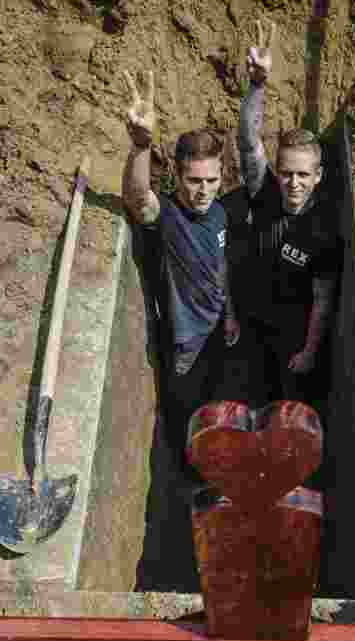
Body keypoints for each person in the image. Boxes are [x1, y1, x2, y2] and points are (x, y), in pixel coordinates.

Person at [120, 69, 240, 496]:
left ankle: (208, 457)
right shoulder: (168, 217)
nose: (203, 191)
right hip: (184, 347)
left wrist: (229, 315)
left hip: (216, 338)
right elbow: (138, 199)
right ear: (177, 177)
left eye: (211, 180)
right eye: (194, 181)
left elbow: (221, 265)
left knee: (213, 400)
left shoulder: (222, 215)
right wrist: (140, 145)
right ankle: (192, 480)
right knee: (184, 411)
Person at [231, 18, 343, 413]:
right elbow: (247, 141)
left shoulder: (324, 231)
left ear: (318, 177)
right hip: (252, 328)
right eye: (286, 172)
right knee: (247, 414)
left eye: (302, 175)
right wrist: (257, 86)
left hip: (294, 343)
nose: (293, 182)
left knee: (290, 419)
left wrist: (310, 351)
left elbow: (323, 300)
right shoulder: (265, 194)